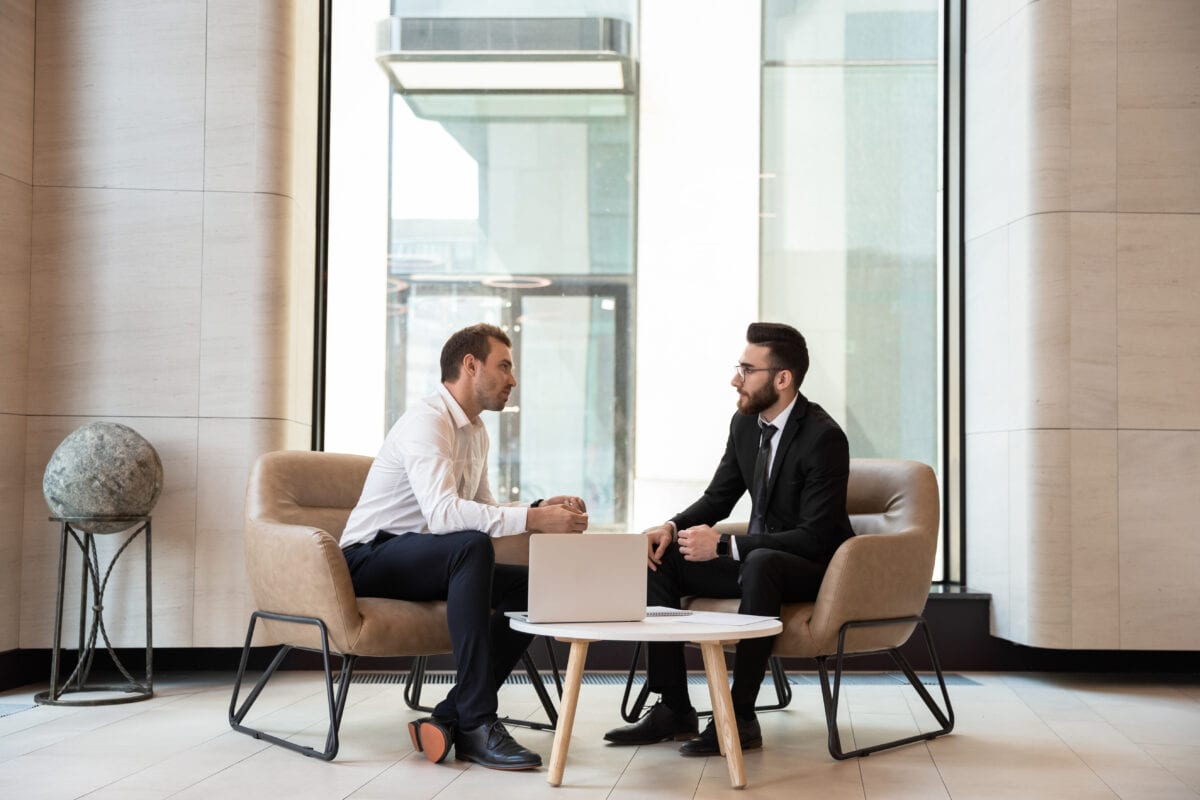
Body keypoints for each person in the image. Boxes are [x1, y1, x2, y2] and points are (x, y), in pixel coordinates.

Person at [339, 323, 589, 771]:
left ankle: (451, 715)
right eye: (505, 366)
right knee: (470, 546)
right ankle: (477, 721)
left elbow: (481, 509)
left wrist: (537, 507)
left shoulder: (475, 431)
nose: (513, 379)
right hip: (368, 556)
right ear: (470, 365)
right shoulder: (427, 421)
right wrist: (535, 520)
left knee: (532, 590)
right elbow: (444, 516)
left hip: (428, 558)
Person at [604, 322, 854, 755]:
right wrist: (670, 527)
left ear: (782, 379)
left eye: (746, 369)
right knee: (661, 558)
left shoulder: (824, 438)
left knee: (761, 562)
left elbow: (814, 537)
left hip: (811, 568)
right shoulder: (745, 427)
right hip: (757, 562)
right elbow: (718, 498)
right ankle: (674, 707)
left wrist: (724, 546)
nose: (734, 379)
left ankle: (738, 716)